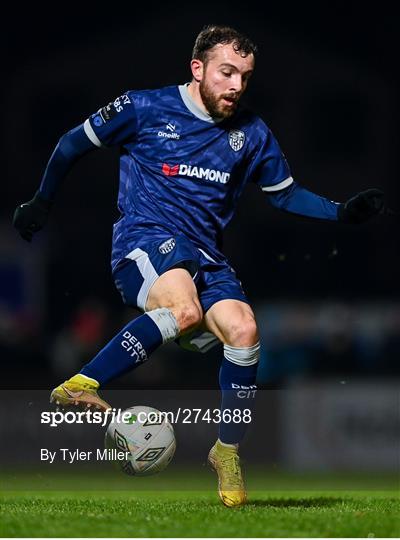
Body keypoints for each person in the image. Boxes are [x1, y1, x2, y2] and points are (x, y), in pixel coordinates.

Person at [13, 24, 384, 507]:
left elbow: (286, 194)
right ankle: (80, 385)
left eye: (245, 77)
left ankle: (226, 451)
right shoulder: (143, 108)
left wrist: (340, 211)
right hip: (143, 242)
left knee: (245, 330)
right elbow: (70, 144)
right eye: (227, 72)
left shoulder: (251, 133)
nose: (236, 85)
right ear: (198, 69)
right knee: (186, 312)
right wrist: (42, 202)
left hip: (206, 257)